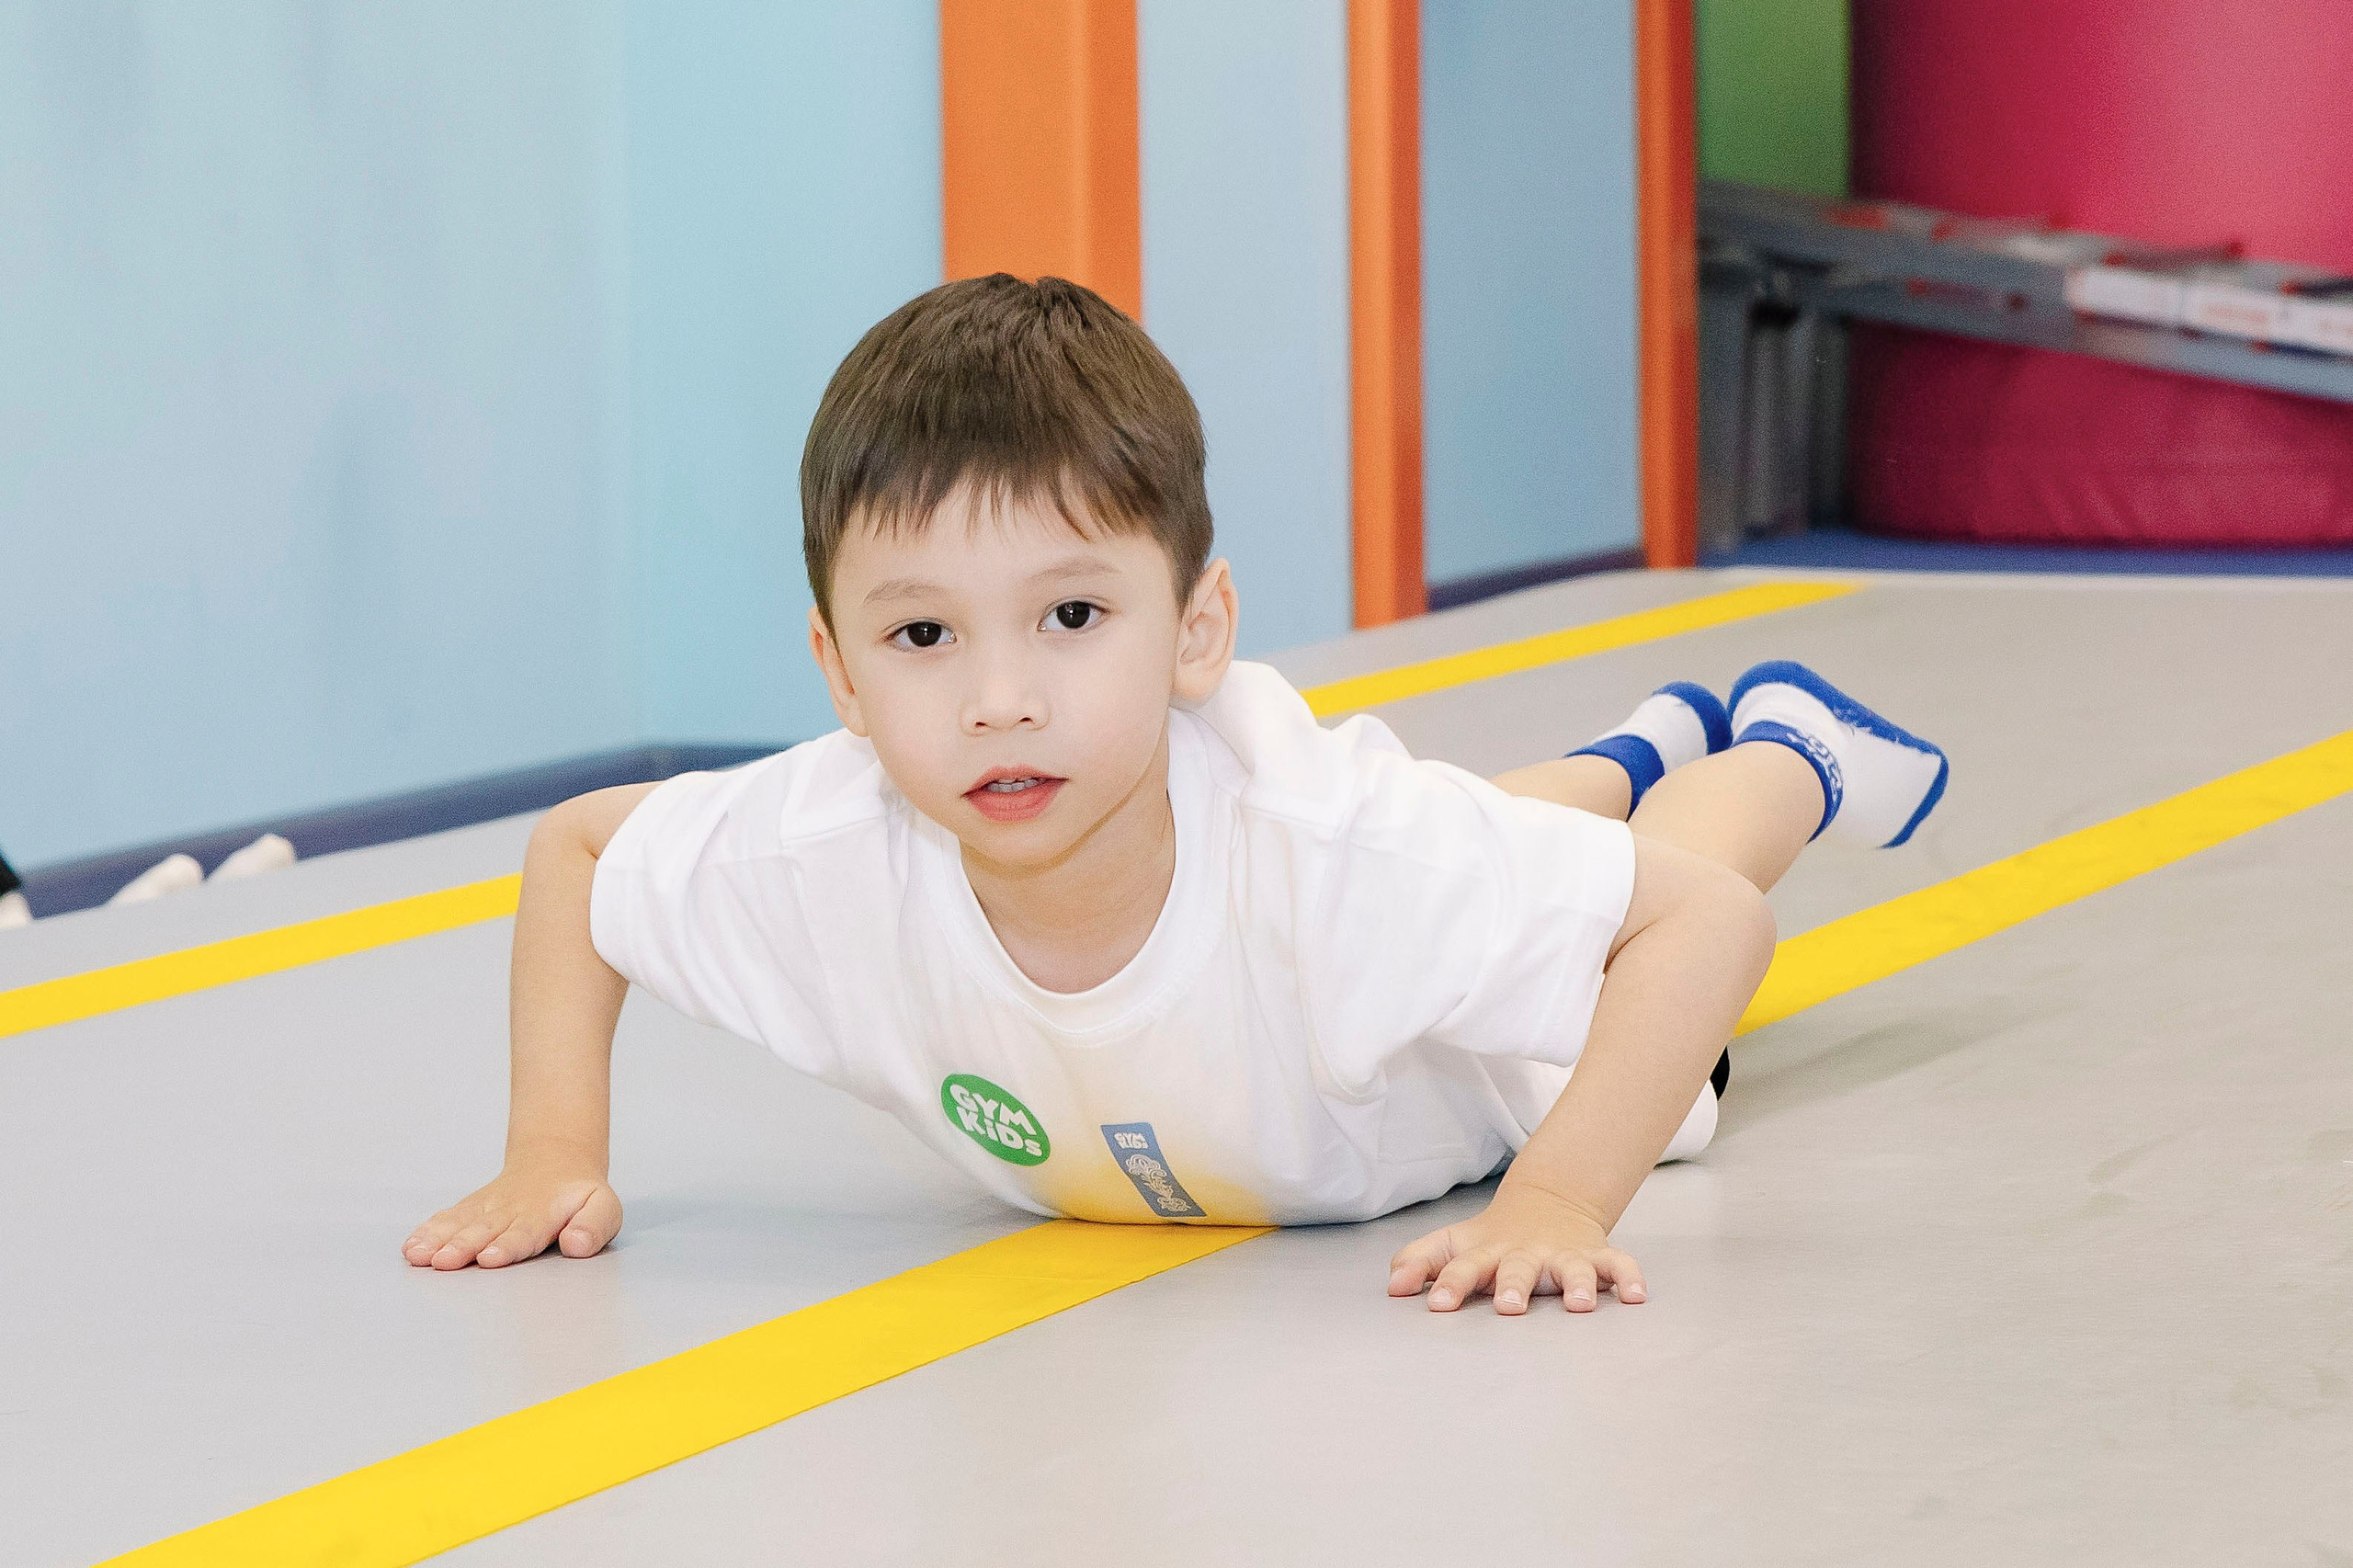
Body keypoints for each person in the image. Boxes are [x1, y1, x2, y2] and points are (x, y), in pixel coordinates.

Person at [404, 276, 1947, 1315]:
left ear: (1198, 630)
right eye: (923, 635)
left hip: (1493, 1066)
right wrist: (555, 1150)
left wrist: (1558, 1195)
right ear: (841, 674)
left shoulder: (1330, 855)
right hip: (1354, 909)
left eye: (1072, 616)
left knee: (1638, 937)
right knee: (1457, 847)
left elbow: (1703, 927)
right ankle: (1635, 743)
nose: (999, 697)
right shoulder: (827, 840)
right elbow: (582, 852)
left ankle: (1779, 750)